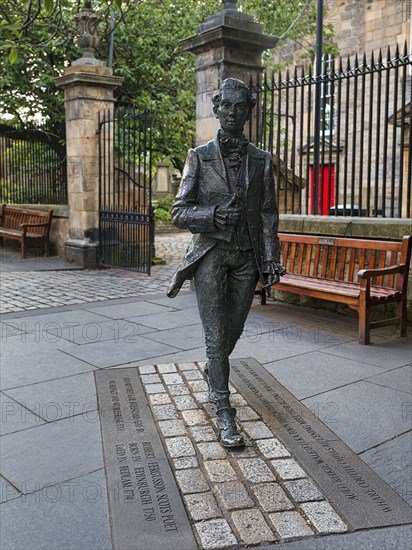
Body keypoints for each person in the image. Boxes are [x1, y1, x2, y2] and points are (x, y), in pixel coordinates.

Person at [167, 78, 283, 447]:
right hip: (211, 257)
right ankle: (223, 409)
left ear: (249, 112)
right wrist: (213, 216)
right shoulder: (198, 157)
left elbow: (268, 215)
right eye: (226, 107)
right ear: (217, 109)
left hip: (247, 259)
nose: (232, 113)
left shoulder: (262, 160)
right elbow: (178, 212)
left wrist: (270, 259)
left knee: (232, 331)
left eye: (240, 107)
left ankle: (212, 372)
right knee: (216, 339)